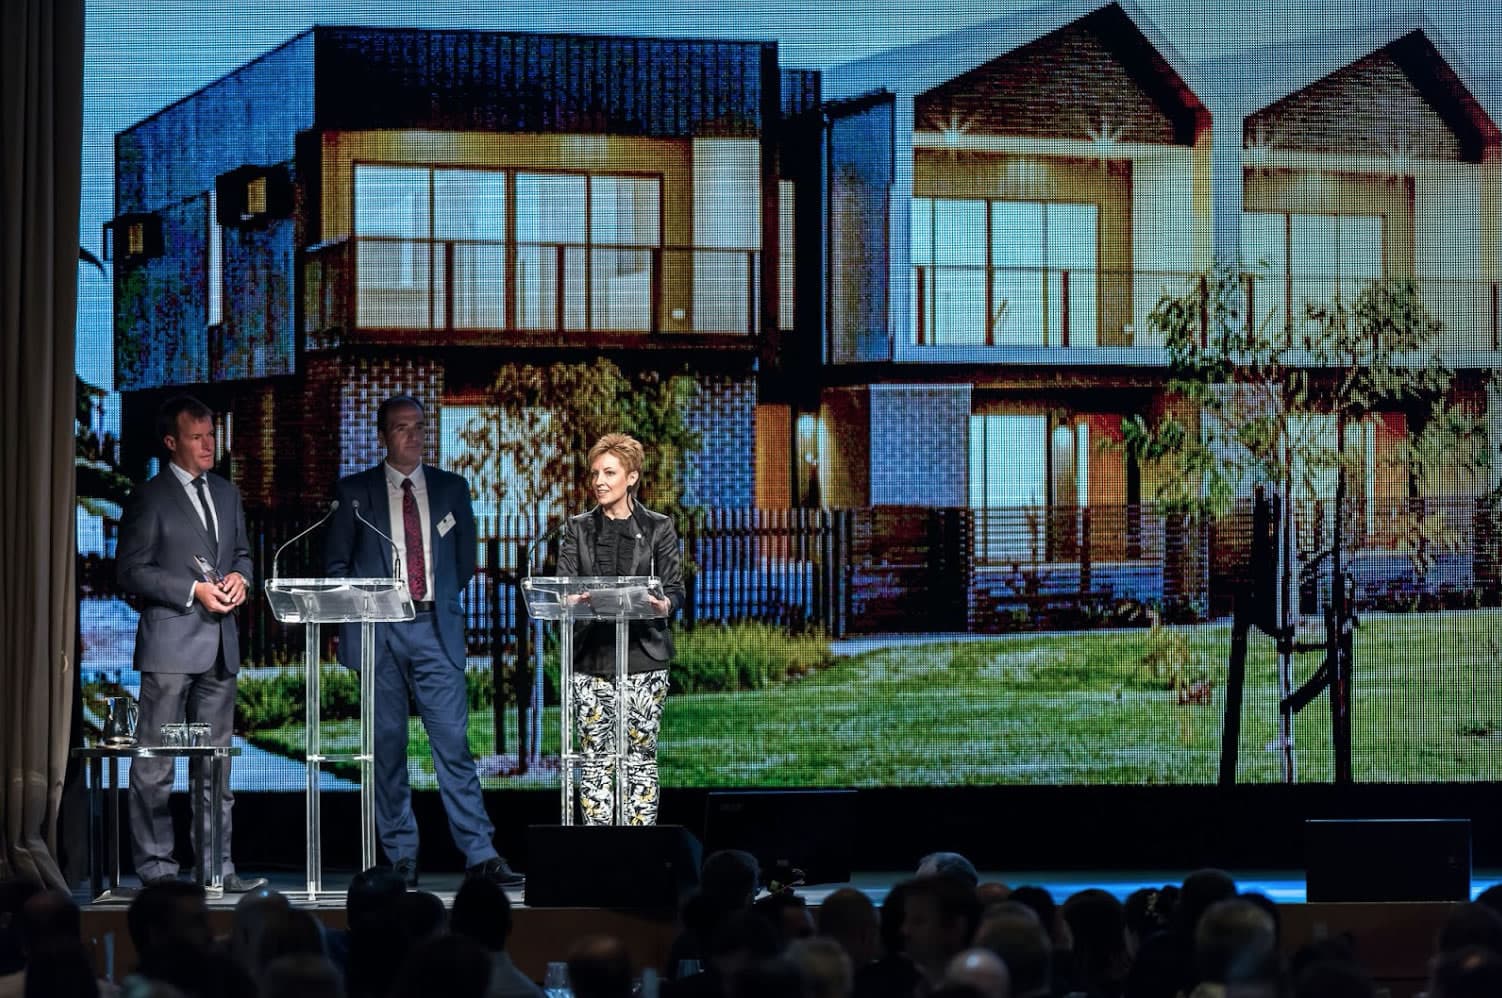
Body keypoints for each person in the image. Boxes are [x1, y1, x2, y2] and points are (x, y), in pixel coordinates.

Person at [324, 394, 521, 887]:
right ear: (382, 436)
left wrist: (435, 600)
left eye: (419, 426)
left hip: (435, 628)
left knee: (453, 743)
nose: (413, 435)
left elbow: (464, 562)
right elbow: (336, 566)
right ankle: (401, 857)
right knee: (387, 747)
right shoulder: (355, 492)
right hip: (379, 631)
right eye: (402, 427)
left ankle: (480, 853)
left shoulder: (452, 488)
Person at [115, 395, 265, 892]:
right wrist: (192, 590)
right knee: (156, 767)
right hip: (169, 648)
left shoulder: (226, 492)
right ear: (170, 442)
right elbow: (130, 570)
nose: (208, 445)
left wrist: (241, 578)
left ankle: (217, 869)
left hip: (220, 646)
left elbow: (242, 554)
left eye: (211, 435)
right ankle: (158, 871)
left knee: (215, 769)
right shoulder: (150, 496)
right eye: (196, 437)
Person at [555, 433, 685, 826]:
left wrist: (664, 604)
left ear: (631, 478)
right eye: (595, 473)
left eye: (609, 473)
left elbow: (675, 588)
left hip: (643, 658)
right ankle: (599, 847)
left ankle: (639, 846)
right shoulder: (577, 529)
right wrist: (570, 600)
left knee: (639, 758)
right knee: (595, 758)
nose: (599, 481)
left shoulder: (659, 527)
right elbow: (564, 586)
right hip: (592, 660)